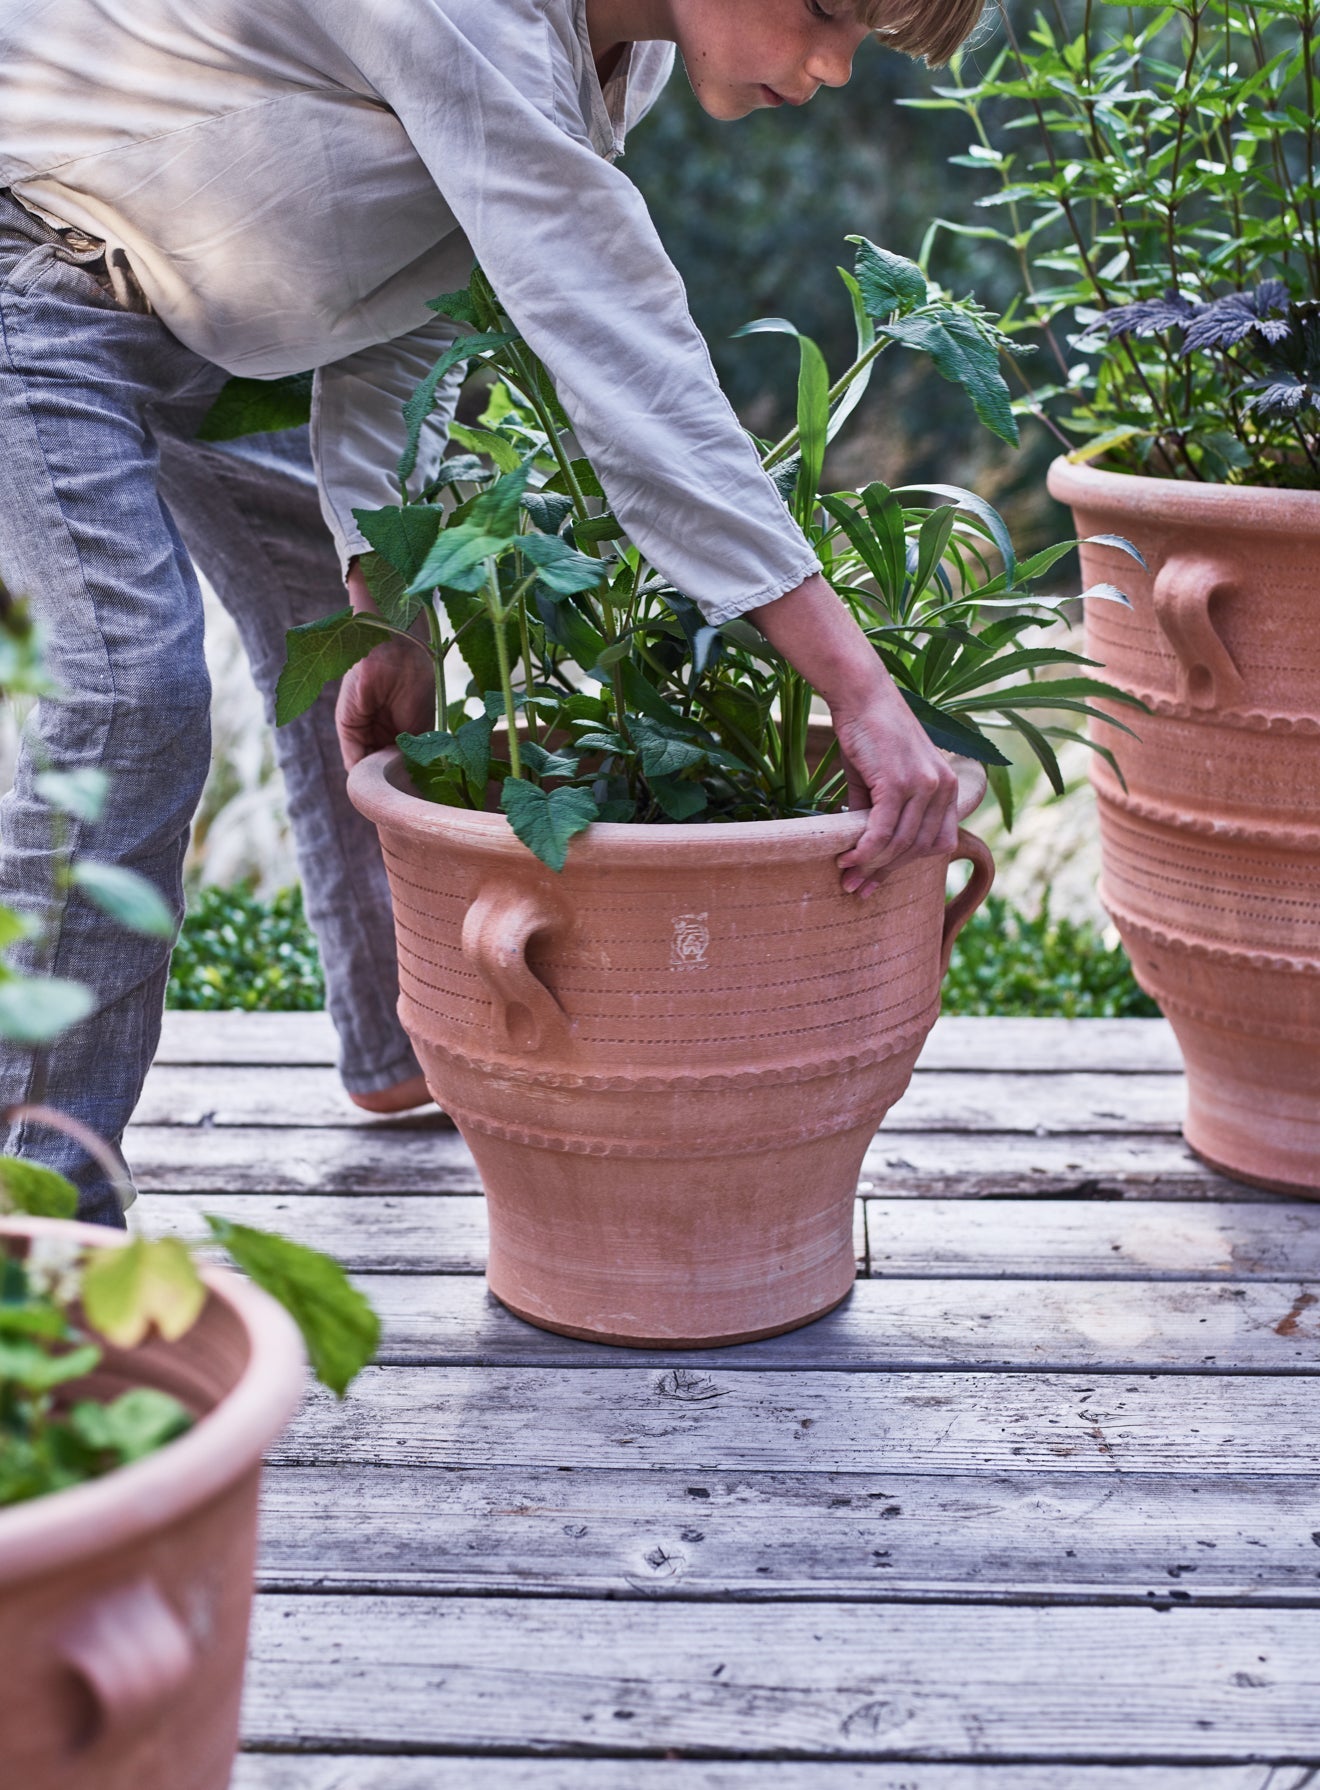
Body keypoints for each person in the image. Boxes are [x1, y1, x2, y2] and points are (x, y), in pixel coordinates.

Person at [0, 0, 984, 1226]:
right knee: (122, 696)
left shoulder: (627, 57)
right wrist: (858, 688)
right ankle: (36, 1235)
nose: (834, 67)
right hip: (36, 255)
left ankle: (411, 1034)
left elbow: (407, 315)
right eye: (828, 12)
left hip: (208, 298)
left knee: (350, 637)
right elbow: (622, 351)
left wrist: (390, 597)